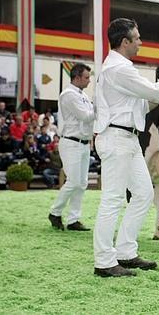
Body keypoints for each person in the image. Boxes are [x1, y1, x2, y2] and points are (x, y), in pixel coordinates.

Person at [92, 18, 159, 278]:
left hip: (128, 137)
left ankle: (125, 251)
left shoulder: (119, 68)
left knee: (144, 194)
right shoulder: (119, 69)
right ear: (124, 42)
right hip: (117, 138)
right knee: (112, 200)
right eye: (136, 38)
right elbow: (156, 94)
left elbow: (146, 105)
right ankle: (104, 261)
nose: (140, 42)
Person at [48, 63, 95, 232]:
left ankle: (73, 219)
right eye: (86, 77)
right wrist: (101, 107)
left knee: (81, 183)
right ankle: (55, 212)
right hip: (71, 142)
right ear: (77, 77)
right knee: (73, 181)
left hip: (83, 143)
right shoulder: (68, 95)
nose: (89, 81)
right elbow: (85, 116)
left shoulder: (81, 95)